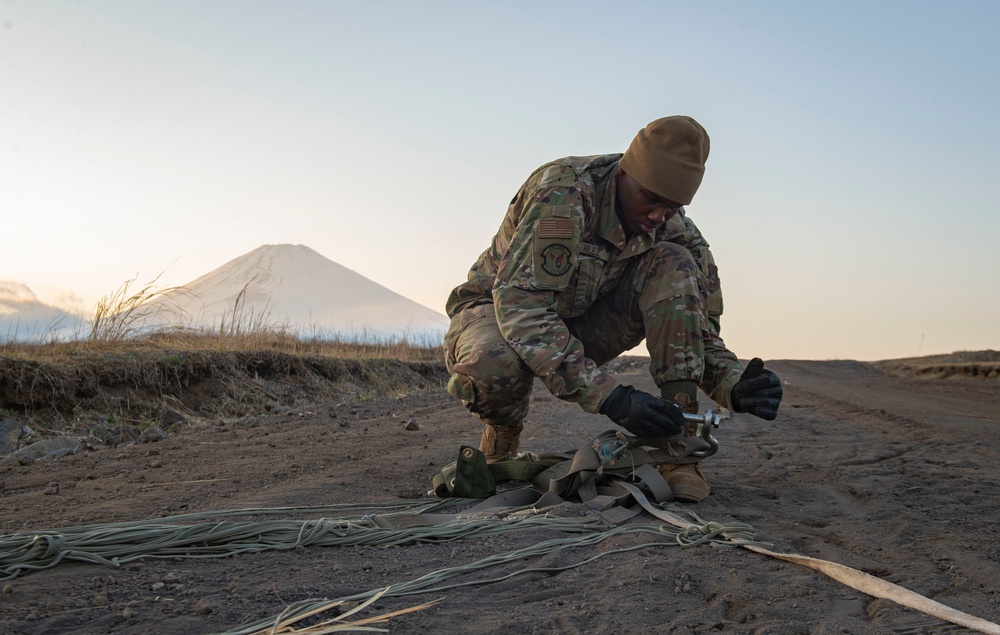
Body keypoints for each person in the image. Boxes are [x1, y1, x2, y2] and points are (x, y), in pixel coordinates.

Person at [443, 116, 782, 503]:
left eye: (672, 207)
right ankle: (501, 437)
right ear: (624, 173)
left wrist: (735, 384)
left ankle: (679, 451)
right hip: (499, 311)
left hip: (584, 322)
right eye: (651, 198)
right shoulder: (564, 193)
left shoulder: (679, 234)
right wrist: (610, 396)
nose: (658, 216)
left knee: (673, 261)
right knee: (493, 365)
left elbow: (698, 335)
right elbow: (524, 308)